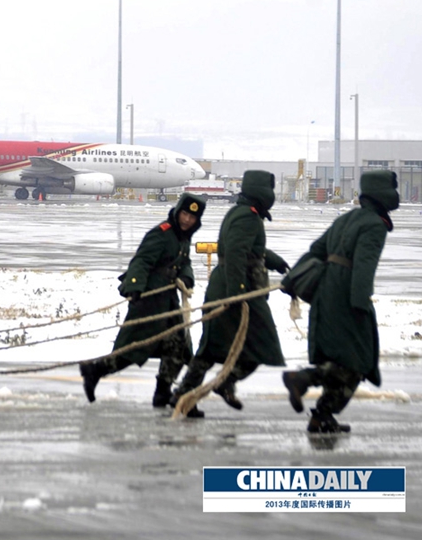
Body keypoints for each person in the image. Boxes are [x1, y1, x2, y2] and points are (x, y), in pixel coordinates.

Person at [281, 170, 399, 433]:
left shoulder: (346, 218)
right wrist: (360, 304)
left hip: (326, 294)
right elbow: (364, 267)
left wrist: (291, 279)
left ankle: (322, 416)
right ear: (383, 193)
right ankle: (302, 379)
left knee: (339, 358)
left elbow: (315, 251)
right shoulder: (374, 224)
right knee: (356, 362)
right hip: (346, 296)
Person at [170, 170, 289, 418]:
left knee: (211, 349)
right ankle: (225, 382)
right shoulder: (247, 216)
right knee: (262, 346)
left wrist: (274, 261)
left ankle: (182, 394)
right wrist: (237, 294)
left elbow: (250, 249)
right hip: (238, 292)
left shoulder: (243, 213)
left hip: (226, 289)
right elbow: (235, 254)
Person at [80, 193, 206, 407]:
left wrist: (186, 276)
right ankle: (95, 370)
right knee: (132, 349)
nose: (187, 220)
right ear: (178, 212)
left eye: (192, 217)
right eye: (184, 214)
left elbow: (184, 262)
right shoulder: (162, 233)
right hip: (149, 301)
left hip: (168, 302)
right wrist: (135, 287)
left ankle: (162, 393)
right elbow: (142, 260)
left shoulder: (183, 237)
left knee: (178, 347)